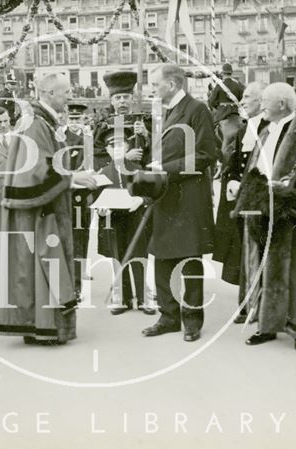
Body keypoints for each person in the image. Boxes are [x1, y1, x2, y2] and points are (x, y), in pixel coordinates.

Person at [0, 73, 96, 345]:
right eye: (65, 92)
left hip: (42, 206)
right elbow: (36, 171)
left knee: (37, 267)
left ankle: (38, 327)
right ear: (49, 92)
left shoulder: (40, 122)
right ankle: (43, 328)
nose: (69, 97)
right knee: (42, 265)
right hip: (40, 213)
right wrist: (73, 179)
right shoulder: (37, 124)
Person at [233, 83, 296, 352]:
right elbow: (255, 166)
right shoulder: (266, 130)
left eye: (266, 101)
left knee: (295, 271)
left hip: (291, 212)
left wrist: (290, 199)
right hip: (264, 210)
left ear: (281, 104)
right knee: (267, 268)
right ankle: (267, 324)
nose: (262, 105)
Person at [141, 64, 219, 342]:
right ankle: (169, 317)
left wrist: (164, 169)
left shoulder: (197, 110)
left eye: (155, 84)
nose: (151, 89)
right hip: (164, 196)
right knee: (162, 258)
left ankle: (192, 320)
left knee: (189, 259)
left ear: (172, 85)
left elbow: (207, 154)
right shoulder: (164, 112)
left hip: (188, 196)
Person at [213, 81, 268, 323]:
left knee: (261, 252)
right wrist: (233, 179)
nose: (242, 102)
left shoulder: (271, 127)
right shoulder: (244, 129)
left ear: (262, 101)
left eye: (247, 97)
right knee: (244, 252)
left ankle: (262, 305)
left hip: (261, 201)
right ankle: (247, 302)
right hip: (241, 201)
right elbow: (234, 163)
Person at [95, 127, 155, 316]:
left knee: (138, 255)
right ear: (107, 150)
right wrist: (101, 210)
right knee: (118, 256)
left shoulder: (138, 170)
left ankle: (144, 296)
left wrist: (141, 200)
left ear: (128, 146)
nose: (117, 149)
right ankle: (122, 298)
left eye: (121, 145)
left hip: (136, 218)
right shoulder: (103, 172)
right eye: (112, 146)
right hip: (114, 221)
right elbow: (95, 198)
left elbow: (150, 194)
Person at [64, 102, 94, 299]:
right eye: (72, 119)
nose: (75, 123)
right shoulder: (61, 138)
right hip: (69, 193)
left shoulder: (88, 138)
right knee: (74, 237)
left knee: (84, 233)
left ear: (84, 119)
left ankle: (82, 268)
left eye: (79, 119)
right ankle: (75, 285)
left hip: (86, 194)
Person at [208, 63, 245, 157]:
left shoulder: (219, 85)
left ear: (222, 73)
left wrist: (218, 106)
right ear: (231, 73)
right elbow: (242, 98)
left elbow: (211, 101)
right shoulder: (237, 85)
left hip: (222, 114)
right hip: (235, 112)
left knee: (210, 130)